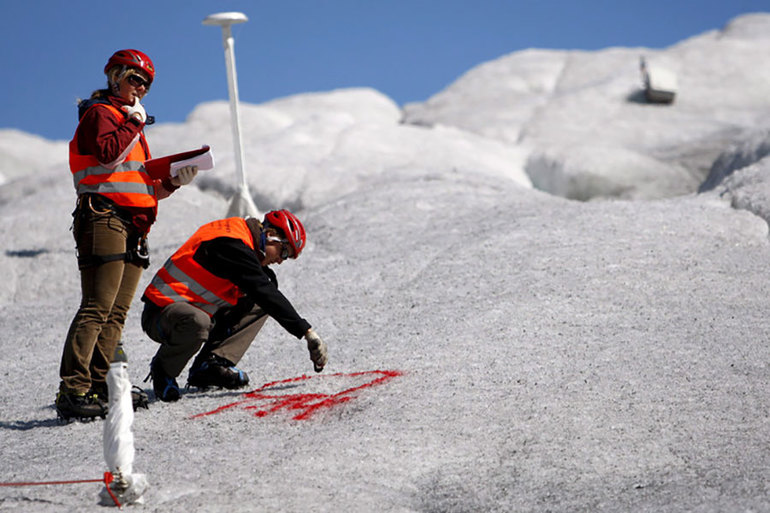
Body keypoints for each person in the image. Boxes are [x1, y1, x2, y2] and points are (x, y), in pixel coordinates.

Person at [56, 49, 199, 421]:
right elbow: (107, 156)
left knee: (116, 312)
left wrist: (171, 182)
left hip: (131, 224)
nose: (140, 89)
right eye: (135, 79)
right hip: (104, 217)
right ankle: (72, 388)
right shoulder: (100, 114)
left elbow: (136, 181)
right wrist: (134, 123)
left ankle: (101, 383)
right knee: (98, 306)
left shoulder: (124, 121)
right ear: (115, 76)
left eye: (145, 85)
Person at [140, 210, 328, 402]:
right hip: (161, 313)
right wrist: (306, 332)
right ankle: (164, 370)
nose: (281, 261)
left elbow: (264, 289)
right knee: (202, 320)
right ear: (271, 234)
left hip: (192, 310)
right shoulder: (231, 243)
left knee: (265, 291)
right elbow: (262, 289)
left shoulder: (244, 243)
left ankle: (211, 364)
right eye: (285, 252)